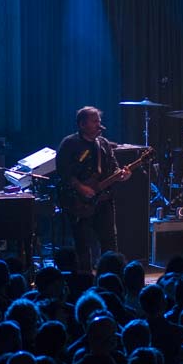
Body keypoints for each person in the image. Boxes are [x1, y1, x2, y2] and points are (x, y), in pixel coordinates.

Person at [57, 106, 131, 272]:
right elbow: (63, 171)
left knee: (110, 242)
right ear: (82, 124)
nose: (99, 124)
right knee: (83, 245)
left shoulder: (103, 144)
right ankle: (84, 280)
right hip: (78, 202)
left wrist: (124, 175)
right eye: (95, 121)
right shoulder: (69, 143)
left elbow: (114, 169)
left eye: (99, 120)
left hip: (103, 200)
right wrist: (81, 187)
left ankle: (111, 278)